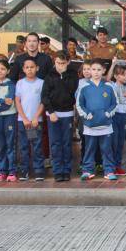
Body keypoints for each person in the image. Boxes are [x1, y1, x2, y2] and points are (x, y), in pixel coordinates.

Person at [77, 59, 117, 181]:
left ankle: (109, 171)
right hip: (90, 125)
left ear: (104, 71)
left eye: (99, 70)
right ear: (89, 70)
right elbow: (79, 104)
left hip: (105, 125)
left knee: (106, 149)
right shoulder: (84, 86)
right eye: (93, 69)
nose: (95, 72)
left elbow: (114, 103)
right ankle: (87, 170)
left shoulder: (109, 86)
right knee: (89, 149)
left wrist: (108, 113)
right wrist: (86, 114)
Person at [42, 51, 78, 182]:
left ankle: (66, 170)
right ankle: (57, 170)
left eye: (63, 63)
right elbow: (44, 96)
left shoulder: (72, 74)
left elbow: (71, 90)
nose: (60, 66)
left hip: (67, 113)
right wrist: (51, 112)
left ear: (68, 62)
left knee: (66, 143)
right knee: (55, 144)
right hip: (53, 114)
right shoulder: (49, 75)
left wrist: (63, 75)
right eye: (57, 63)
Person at [15, 59, 46, 181]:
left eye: (32, 67)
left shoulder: (42, 83)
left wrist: (35, 117)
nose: (29, 69)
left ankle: (38, 170)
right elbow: (17, 101)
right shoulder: (20, 83)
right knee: (23, 146)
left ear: (37, 68)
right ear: (23, 69)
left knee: (37, 145)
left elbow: (43, 101)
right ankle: (24, 170)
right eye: (27, 67)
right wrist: (24, 118)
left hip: (35, 121)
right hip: (23, 121)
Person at [109, 62, 126, 177]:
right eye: (123, 75)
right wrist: (113, 65)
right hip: (114, 115)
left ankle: (117, 166)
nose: (125, 77)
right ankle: (110, 167)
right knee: (114, 141)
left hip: (123, 116)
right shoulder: (112, 85)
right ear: (116, 76)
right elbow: (107, 79)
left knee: (120, 142)